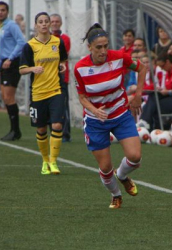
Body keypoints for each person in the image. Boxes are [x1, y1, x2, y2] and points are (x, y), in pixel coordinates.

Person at [74, 23, 146, 209]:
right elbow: (81, 97)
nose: (104, 51)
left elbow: (142, 68)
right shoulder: (80, 68)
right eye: (99, 47)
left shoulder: (119, 58)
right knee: (105, 167)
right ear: (89, 47)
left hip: (121, 113)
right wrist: (95, 110)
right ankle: (116, 194)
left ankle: (122, 175)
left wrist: (137, 96)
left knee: (135, 156)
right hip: (96, 121)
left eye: (106, 46)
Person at [19, 12, 68, 175]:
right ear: (36, 25)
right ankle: (45, 160)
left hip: (56, 90)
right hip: (38, 93)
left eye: (46, 21)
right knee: (41, 129)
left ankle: (54, 161)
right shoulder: (30, 46)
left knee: (57, 125)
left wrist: (62, 66)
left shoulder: (57, 42)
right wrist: (33, 68)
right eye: (41, 22)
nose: (44, 24)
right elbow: (22, 70)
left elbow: (63, 59)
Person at [0, 1, 26, 141]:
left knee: (9, 97)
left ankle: (16, 131)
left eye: (3, 10)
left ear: (7, 12)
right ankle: (13, 130)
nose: (0, 12)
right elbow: (3, 48)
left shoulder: (12, 25)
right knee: (5, 97)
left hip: (12, 64)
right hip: (4, 63)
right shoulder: (1, 26)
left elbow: (21, 42)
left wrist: (10, 59)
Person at [139, 53, 172, 130]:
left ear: (168, 62)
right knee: (153, 95)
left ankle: (151, 126)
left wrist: (168, 92)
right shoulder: (168, 72)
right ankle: (146, 123)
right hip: (171, 96)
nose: (162, 69)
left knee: (156, 106)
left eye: (162, 66)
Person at [50, 13, 72, 142]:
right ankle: (53, 131)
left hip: (62, 76)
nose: (54, 23)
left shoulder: (65, 39)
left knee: (63, 106)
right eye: (52, 21)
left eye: (57, 21)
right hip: (48, 78)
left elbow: (62, 56)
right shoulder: (45, 38)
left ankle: (65, 134)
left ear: (61, 23)